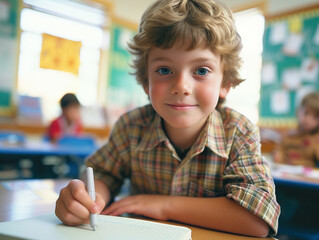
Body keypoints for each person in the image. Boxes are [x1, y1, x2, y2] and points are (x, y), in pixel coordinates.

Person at [55, 0, 280, 237]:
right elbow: (102, 174)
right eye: (164, 70)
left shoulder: (237, 131)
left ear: (225, 83)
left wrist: (163, 205)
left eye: (201, 71)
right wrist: (88, 199)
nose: (181, 86)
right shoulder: (131, 126)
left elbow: (256, 219)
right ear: (145, 81)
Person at [274, 91, 319, 167]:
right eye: (306, 113)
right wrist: (278, 156)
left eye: (315, 117)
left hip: (307, 177)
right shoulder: (288, 135)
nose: (308, 120)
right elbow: (278, 154)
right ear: (298, 111)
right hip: (286, 174)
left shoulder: (316, 138)